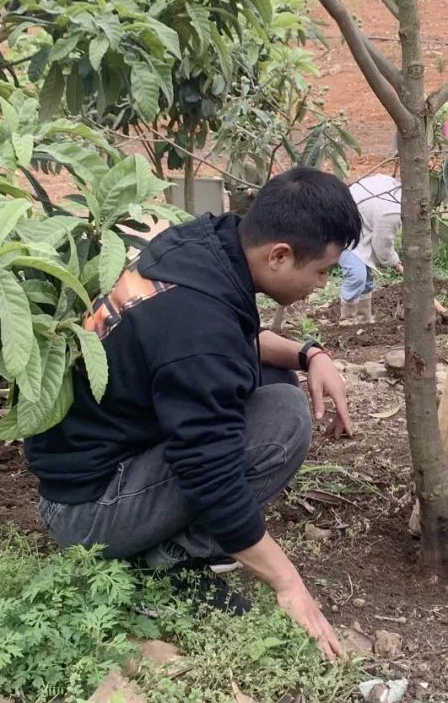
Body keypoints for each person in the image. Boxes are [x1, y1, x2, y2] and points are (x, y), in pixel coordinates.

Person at [24, 168, 360, 659]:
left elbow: (229, 345)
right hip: (86, 511)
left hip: (96, 460)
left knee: (272, 380)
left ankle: (168, 545)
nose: (321, 284)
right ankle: (166, 568)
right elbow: (211, 472)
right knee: (284, 416)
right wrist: (289, 585)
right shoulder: (201, 327)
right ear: (280, 255)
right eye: (322, 271)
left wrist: (310, 354)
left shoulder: (203, 246)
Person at [339, 174, 403, 324]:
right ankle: (347, 321)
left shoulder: (394, 196)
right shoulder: (392, 211)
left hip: (361, 227)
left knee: (366, 279)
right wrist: (393, 260)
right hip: (344, 230)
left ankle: (364, 321)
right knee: (357, 275)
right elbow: (382, 244)